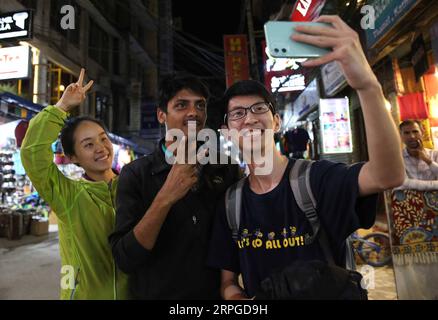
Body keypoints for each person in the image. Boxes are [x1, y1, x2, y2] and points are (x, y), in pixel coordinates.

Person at [207, 15, 405, 300]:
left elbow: (389, 175)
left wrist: (368, 86)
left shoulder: (316, 179)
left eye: (258, 109)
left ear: (275, 121)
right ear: (226, 133)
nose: (249, 118)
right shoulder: (230, 204)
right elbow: (228, 283)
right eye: (238, 113)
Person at [109, 75, 241, 299]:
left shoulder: (225, 168)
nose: (193, 112)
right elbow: (125, 259)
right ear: (161, 115)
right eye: (181, 105)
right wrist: (166, 197)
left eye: (200, 105)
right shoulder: (135, 174)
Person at [20, 69, 129, 299]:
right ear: (72, 157)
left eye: (103, 138)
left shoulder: (132, 187)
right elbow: (32, 155)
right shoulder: (68, 196)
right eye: (88, 145)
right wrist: (61, 107)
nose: (101, 148)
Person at [397, 120, 438, 190]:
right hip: (410, 200)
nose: (412, 136)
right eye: (406, 133)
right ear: (401, 136)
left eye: (415, 132)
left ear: (422, 133)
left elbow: (408, 184)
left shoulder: (435, 154)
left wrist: (427, 160)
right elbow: (404, 183)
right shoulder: (397, 158)